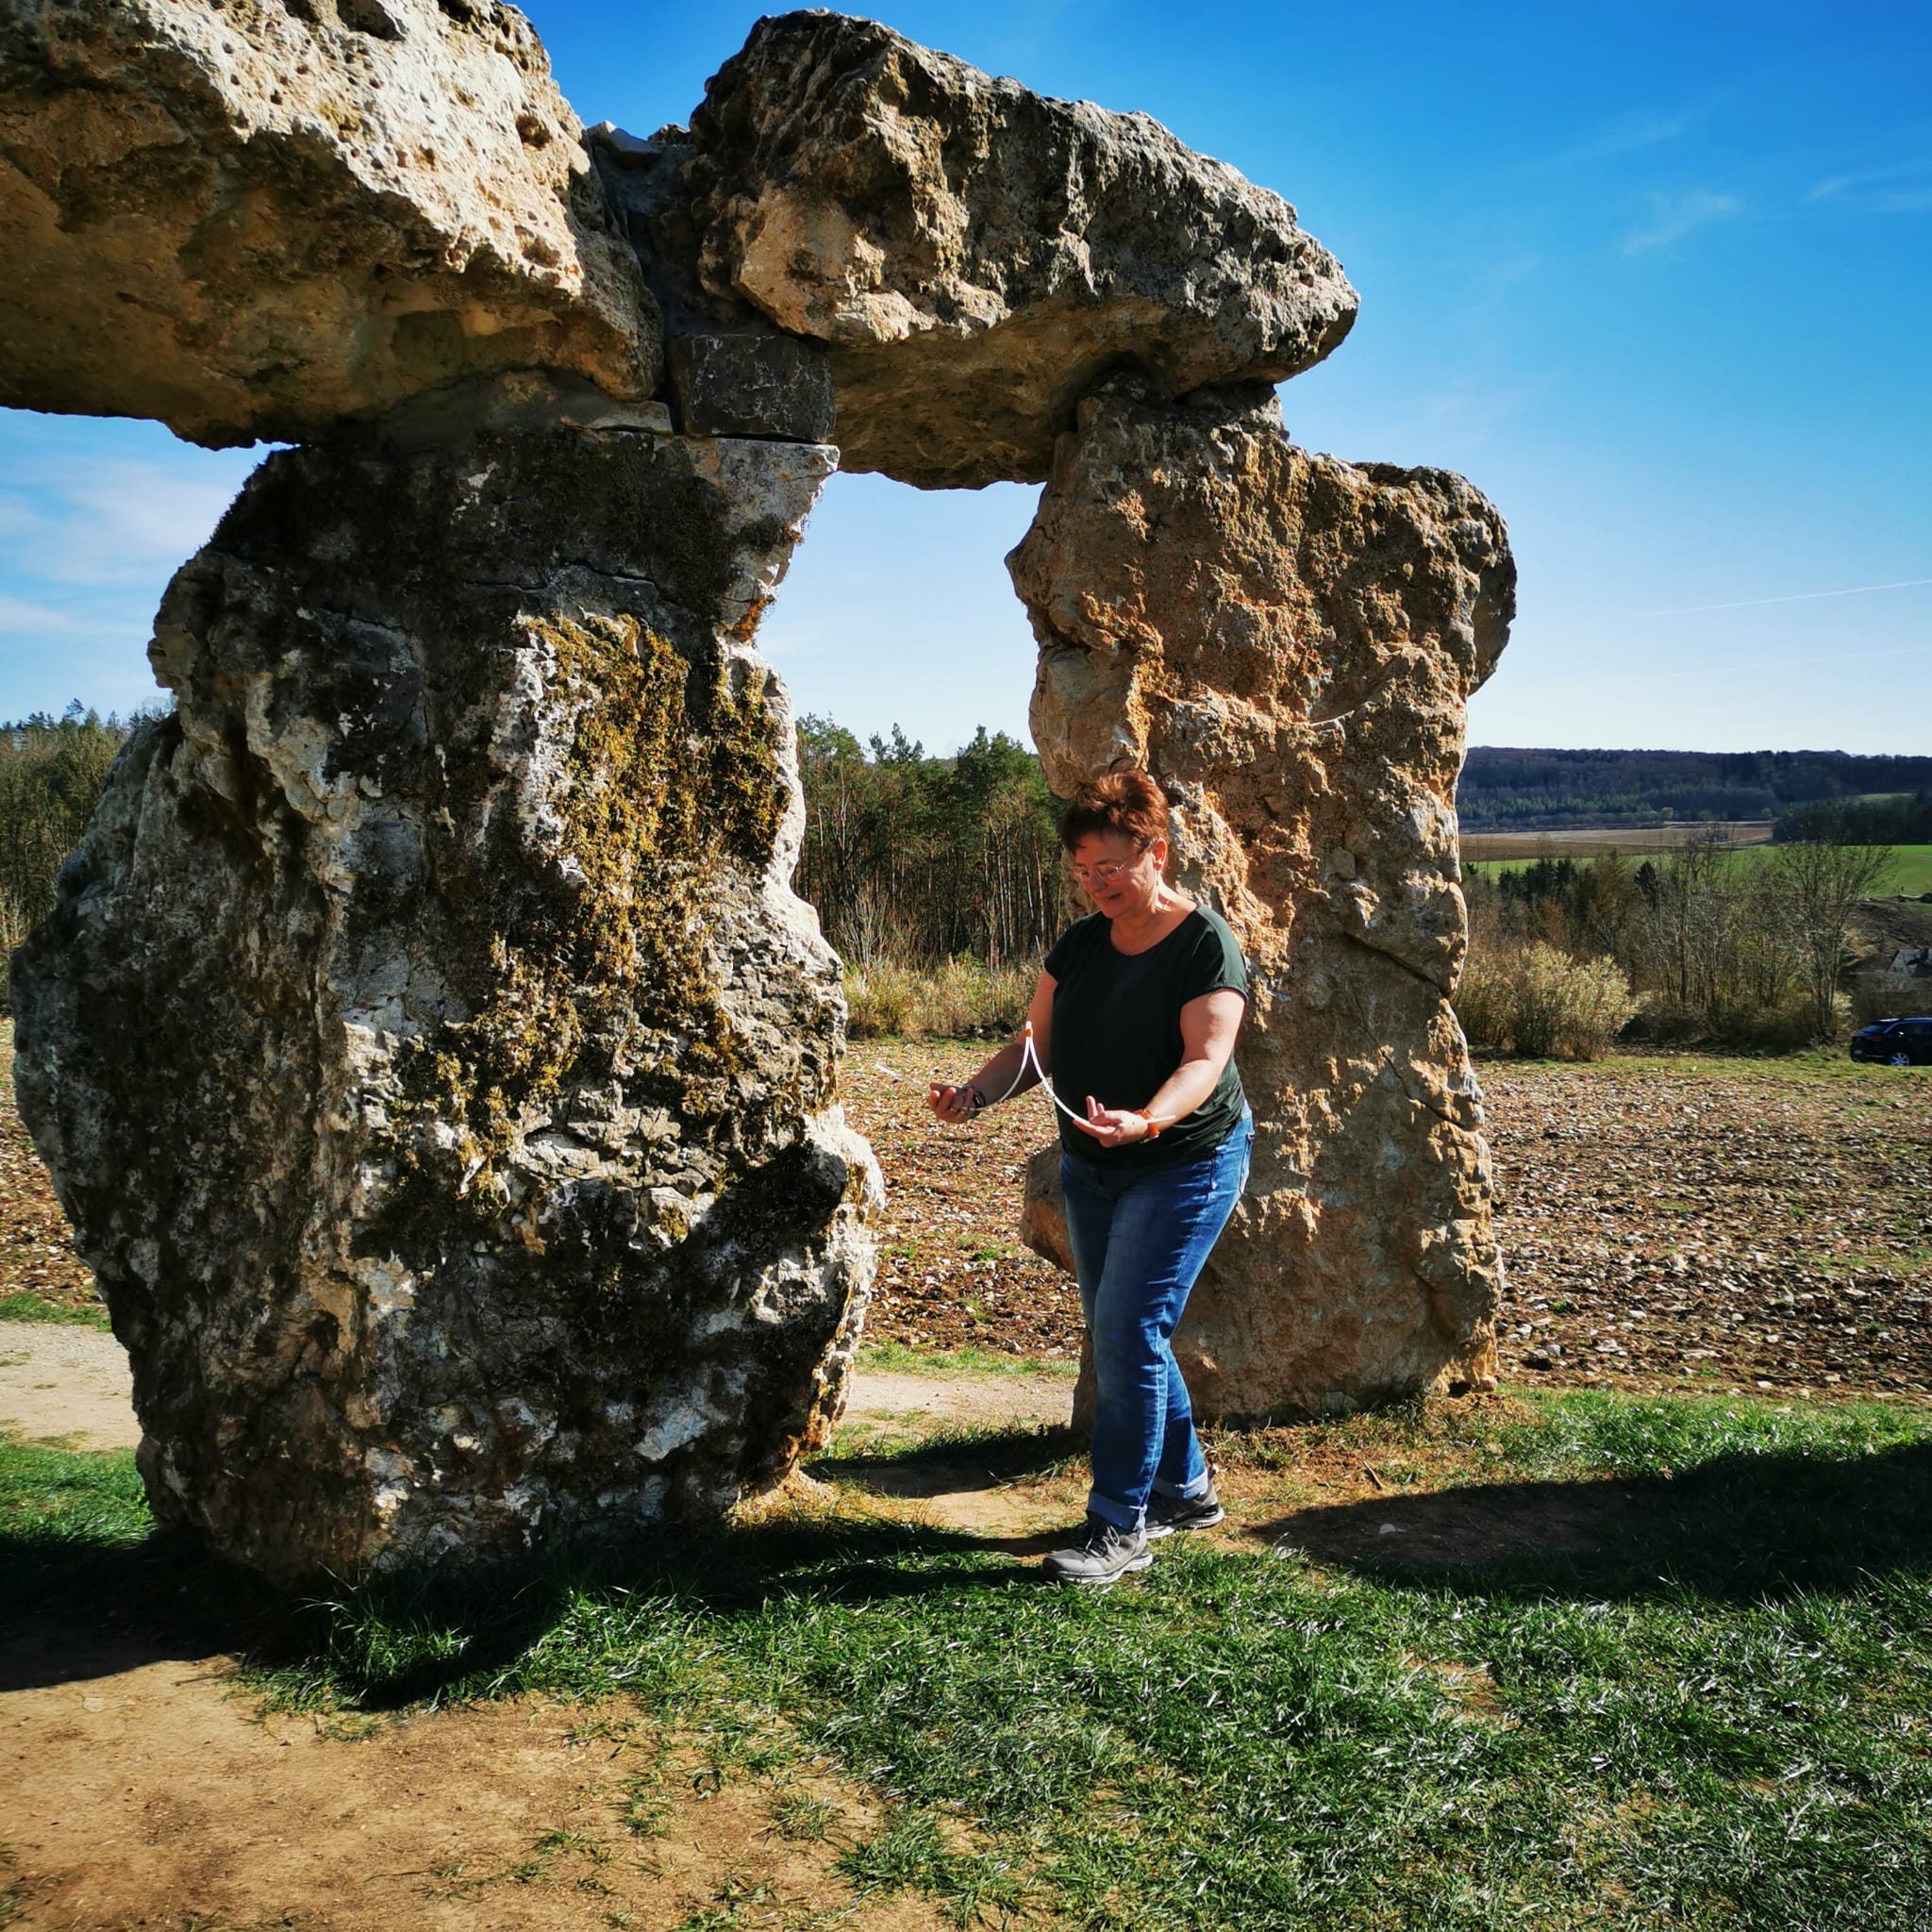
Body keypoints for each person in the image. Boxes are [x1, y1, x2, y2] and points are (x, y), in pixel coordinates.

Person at [928, 768, 1253, 1586]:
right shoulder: (1077, 946)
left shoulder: (1204, 942)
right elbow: (1033, 1049)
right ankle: (1186, 1490)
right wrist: (973, 1096)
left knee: (1127, 1334)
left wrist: (1148, 1119)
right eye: (1081, 870)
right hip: (1091, 1166)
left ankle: (1120, 1526)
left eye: (1110, 866)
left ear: (1157, 852)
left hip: (1185, 1163)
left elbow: (1206, 1061)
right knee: (1125, 1334)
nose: (1095, 883)